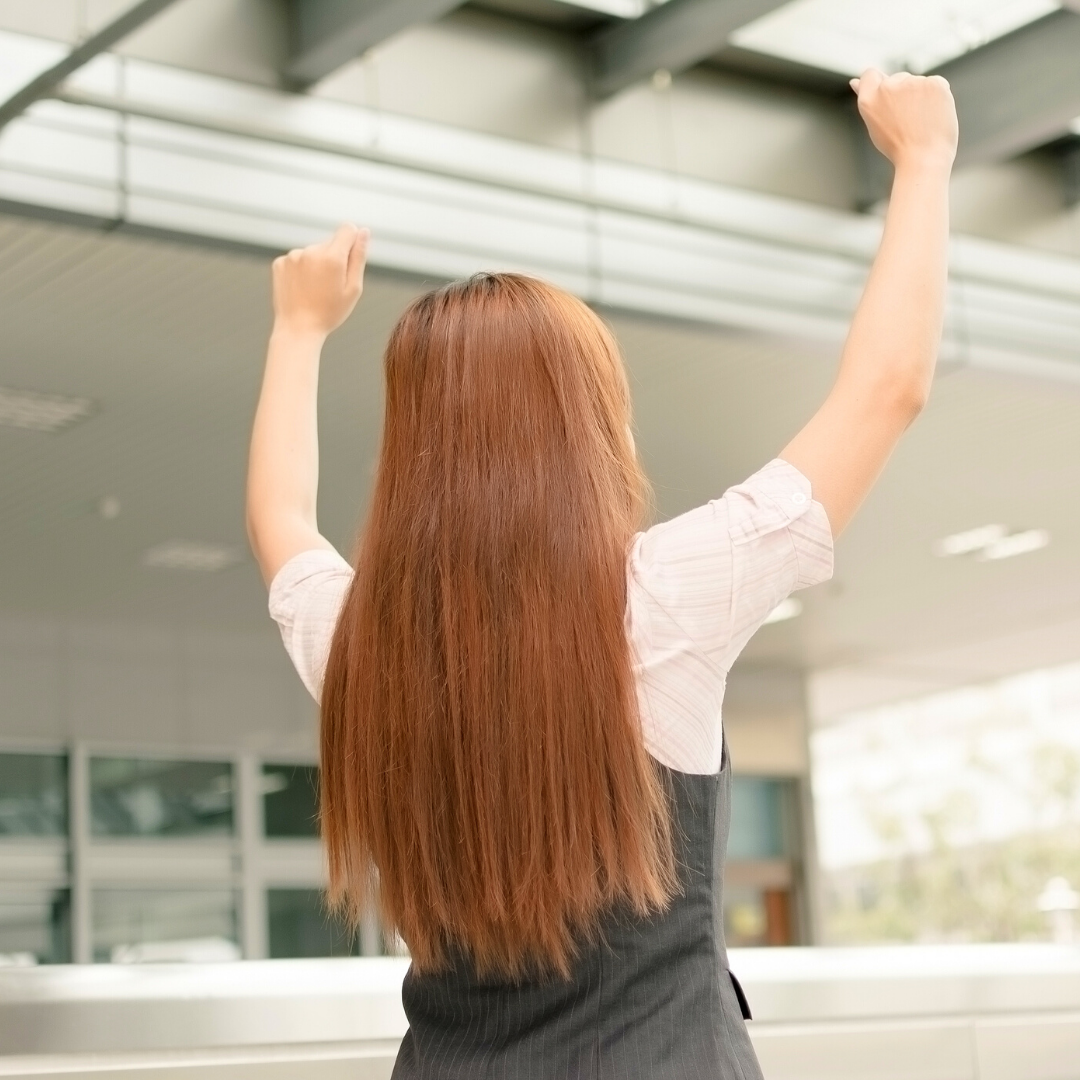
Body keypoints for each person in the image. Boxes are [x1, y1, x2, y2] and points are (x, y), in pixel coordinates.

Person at [247, 69, 958, 1079]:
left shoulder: (360, 639)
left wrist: (297, 330)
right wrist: (924, 160)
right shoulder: (660, 603)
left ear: (412, 446)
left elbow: (279, 518)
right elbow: (886, 388)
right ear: (588, 429)